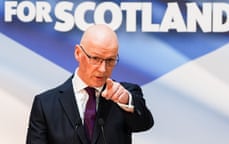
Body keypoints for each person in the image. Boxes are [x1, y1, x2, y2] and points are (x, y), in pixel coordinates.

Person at [26, 24, 154, 144]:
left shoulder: (126, 95)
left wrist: (126, 100)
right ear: (78, 53)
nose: (103, 69)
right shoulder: (45, 104)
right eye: (96, 59)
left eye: (110, 60)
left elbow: (144, 124)